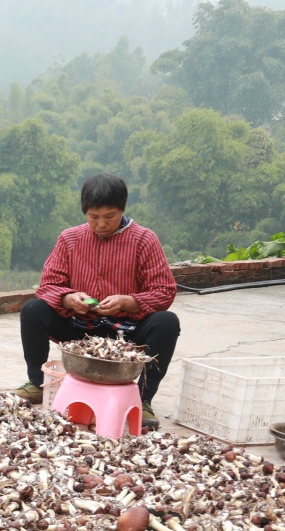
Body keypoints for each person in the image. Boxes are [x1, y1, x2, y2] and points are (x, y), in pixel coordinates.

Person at [17, 174, 181, 428]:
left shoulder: (144, 240)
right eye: (94, 217)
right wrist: (69, 298)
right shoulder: (69, 239)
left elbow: (164, 291)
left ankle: (143, 398)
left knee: (167, 323)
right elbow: (48, 285)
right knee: (32, 310)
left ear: (123, 210)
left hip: (126, 330)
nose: (101, 224)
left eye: (110, 217)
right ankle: (37, 383)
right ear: (85, 212)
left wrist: (129, 302)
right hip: (80, 327)